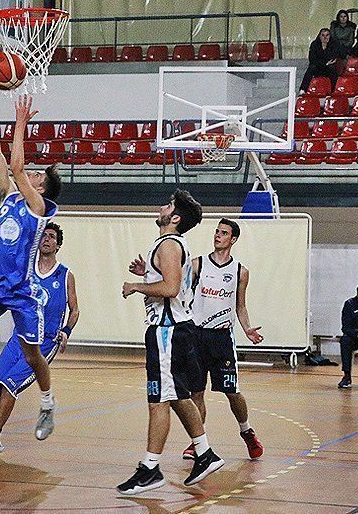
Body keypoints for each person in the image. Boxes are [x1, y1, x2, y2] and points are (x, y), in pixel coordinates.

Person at [0, 85, 63, 441]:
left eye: (39, 177)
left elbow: (17, 164)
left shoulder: (39, 209)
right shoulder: (9, 196)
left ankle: (48, 401)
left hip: (22, 291)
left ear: (42, 189)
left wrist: (21, 122)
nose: (31, 174)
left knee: (33, 355)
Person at [117, 189, 224, 495]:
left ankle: (150, 469)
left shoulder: (168, 244)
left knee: (159, 399)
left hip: (167, 330)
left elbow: (173, 287)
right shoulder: (174, 245)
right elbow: (175, 281)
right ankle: (204, 453)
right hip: (177, 329)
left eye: (167, 206)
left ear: (174, 218)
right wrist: (148, 273)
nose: (160, 207)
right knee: (176, 395)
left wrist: (137, 285)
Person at [0, 222, 79, 455]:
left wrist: (66, 330)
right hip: (19, 338)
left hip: (44, 342)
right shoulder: (26, 272)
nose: (46, 239)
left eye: (52, 236)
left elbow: (74, 309)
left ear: (58, 244)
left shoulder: (65, 275)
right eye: (43, 235)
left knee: (9, 384)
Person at [182, 218, 264, 462]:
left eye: (224, 233)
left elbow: (240, 305)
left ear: (233, 239)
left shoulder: (240, 271)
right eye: (216, 231)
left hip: (221, 338)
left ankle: (246, 431)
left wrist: (247, 328)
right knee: (196, 393)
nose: (218, 235)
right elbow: (176, 281)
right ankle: (198, 443)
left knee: (232, 392)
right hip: (196, 336)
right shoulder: (198, 264)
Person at [298, 28, 344, 93]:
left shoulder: (334, 45)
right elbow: (312, 59)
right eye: (323, 35)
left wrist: (324, 59)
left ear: (330, 36)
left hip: (328, 69)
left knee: (332, 68)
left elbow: (332, 57)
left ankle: (333, 90)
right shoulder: (314, 44)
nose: (325, 37)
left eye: (327, 35)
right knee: (311, 67)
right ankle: (303, 89)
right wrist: (325, 63)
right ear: (319, 36)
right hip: (318, 68)